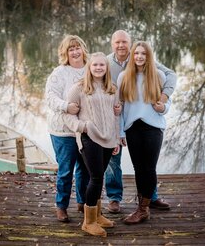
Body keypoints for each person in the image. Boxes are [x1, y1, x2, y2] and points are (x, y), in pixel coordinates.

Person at [104, 30, 177, 213]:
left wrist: (164, 99)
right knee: (114, 161)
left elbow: (170, 76)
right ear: (112, 44)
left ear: (130, 44)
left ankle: (149, 199)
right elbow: (91, 80)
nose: (121, 46)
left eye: (124, 42)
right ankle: (115, 198)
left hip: (147, 122)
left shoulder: (152, 68)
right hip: (114, 118)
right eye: (117, 42)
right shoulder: (105, 63)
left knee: (148, 166)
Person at [63, 52, 121, 237]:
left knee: (100, 176)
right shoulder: (79, 88)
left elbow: (115, 114)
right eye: (95, 65)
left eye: (102, 65)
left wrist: (116, 138)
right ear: (89, 67)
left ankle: (97, 214)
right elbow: (67, 115)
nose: (98, 68)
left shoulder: (112, 88)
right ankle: (88, 222)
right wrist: (83, 127)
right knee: (95, 177)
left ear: (106, 68)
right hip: (90, 137)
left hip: (108, 137)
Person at [118, 41, 171, 224]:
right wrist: (120, 132)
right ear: (132, 56)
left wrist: (163, 107)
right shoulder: (124, 77)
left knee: (149, 168)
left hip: (153, 127)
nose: (139, 56)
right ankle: (143, 206)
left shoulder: (159, 76)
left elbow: (168, 102)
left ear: (149, 56)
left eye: (143, 54)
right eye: (136, 53)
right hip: (132, 128)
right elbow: (120, 107)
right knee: (138, 169)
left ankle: (143, 209)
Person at [44, 35, 90, 222]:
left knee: (85, 168)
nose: (75, 52)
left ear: (83, 49)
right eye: (71, 49)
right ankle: (61, 206)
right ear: (65, 52)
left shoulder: (91, 69)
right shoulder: (59, 73)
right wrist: (66, 106)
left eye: (78, 47)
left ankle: (82, 202)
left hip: (85, 129)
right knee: (65, 170)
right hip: (63, 130)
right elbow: (50, 98)